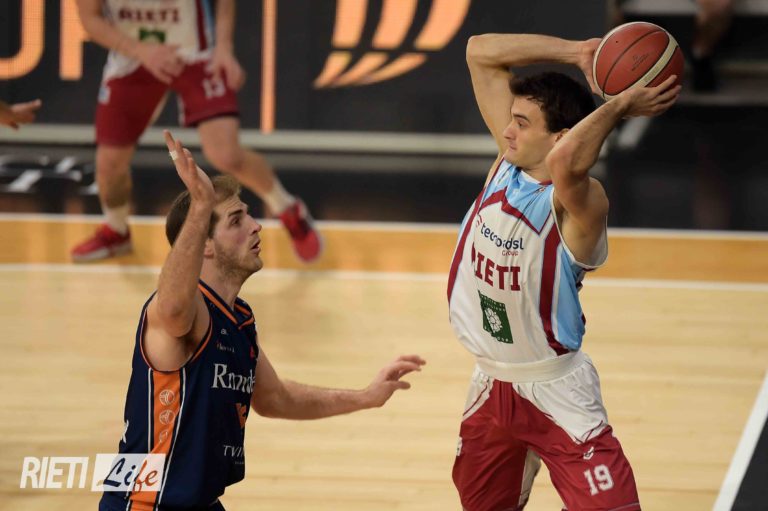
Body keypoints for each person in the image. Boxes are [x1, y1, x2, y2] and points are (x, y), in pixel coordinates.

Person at [98, 130, 425, 511]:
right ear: (205, 245)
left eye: (249, 215)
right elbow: (172, 309)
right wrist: (200, 204)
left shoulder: (238, 319)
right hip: (145, 505)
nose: (256, 226)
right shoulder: (183, 313)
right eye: (236, 220)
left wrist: (366, 396)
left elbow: (276, 398)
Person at [447, 33, 680, 510]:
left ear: (558, 136)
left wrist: (619, 105)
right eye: (511, 119)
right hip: (491, 385)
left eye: (521, 123)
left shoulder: (578, 203)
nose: (507, 131)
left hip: (557, 390)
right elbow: (479, 52)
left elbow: (564, 163)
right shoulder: (506, 164)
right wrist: (576, 53)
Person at [72, 0, 321, 263]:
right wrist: (141, 51)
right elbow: (90, 18)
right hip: (133, 59)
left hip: (195, 55)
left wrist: (224, 47)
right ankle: (116, 230)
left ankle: (288, 208)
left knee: (227, 155)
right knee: (109, 163)